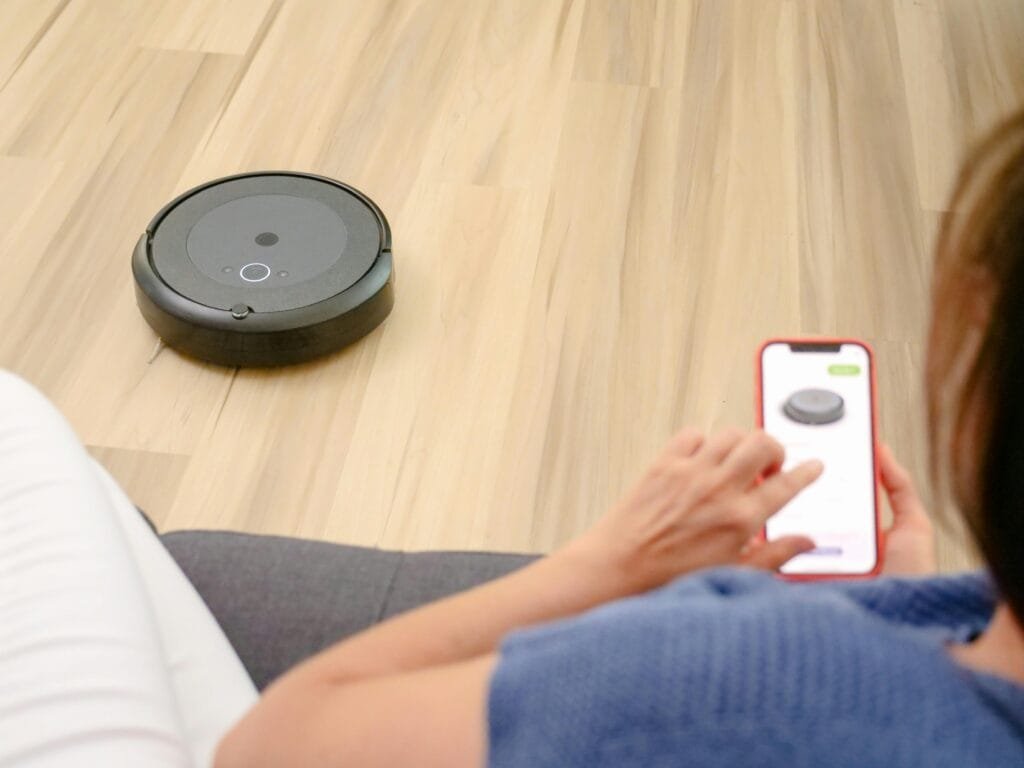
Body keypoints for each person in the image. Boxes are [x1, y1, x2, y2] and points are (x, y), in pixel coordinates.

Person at [2, 108, 1023, 766]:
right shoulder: (928, 636)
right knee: (105, 521)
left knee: (17, 425)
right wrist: (898, 602)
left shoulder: (753, 677)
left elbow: (268, 750)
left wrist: (609, 562)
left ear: (983, 416)